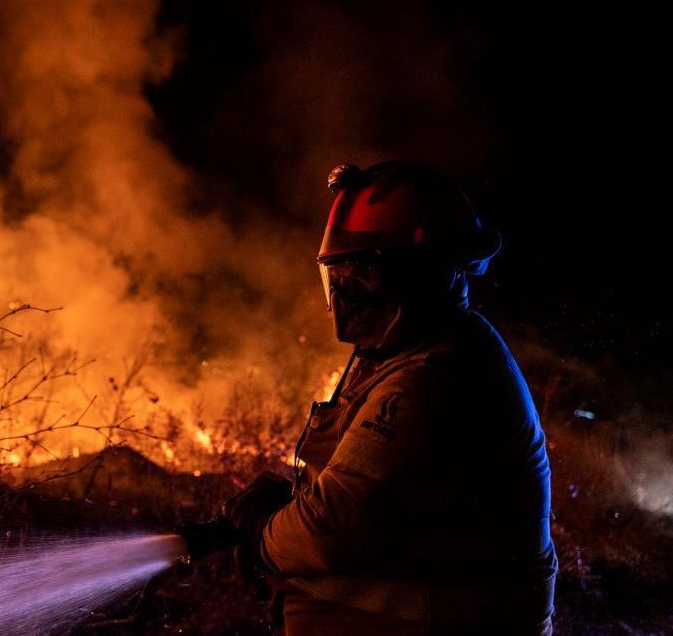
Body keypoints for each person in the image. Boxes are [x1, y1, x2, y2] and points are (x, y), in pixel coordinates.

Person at [224, 161, 557, 635]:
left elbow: (331, 527)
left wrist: (262, 532)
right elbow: (378, 495)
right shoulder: (411, 350)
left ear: (409, 275)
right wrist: (289, 500)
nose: (341, 293)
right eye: (336, 276)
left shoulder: (435, 376)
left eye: (358, 274)